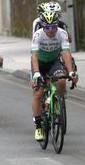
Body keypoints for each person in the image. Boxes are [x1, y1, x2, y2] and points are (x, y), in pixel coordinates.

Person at [30, 11, 77, 141]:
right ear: (43, 26)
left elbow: (66, 53)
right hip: (39, 63)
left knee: (61, 80)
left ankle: (58, 100)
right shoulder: (38, 35)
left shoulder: (62, 33)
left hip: (54, 62)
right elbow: (34, 55)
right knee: (38, 93)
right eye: (47, 27)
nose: (51, 30)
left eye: (53, 27)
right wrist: (37, 74)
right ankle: (39, 126)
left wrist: (71, 71)